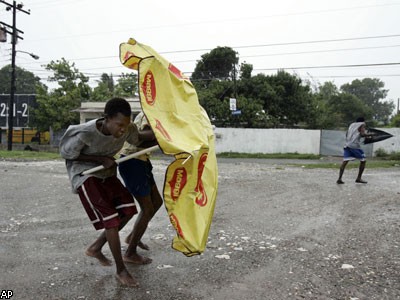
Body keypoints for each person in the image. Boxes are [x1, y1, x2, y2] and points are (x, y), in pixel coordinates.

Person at [59, 97, 152, 287]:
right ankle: (120, 270)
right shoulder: (85, 132)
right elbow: (67, 154)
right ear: (106, 118)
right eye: (118, 125)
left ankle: (96, 247)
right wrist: (100, 159)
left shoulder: (127, 129)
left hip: (106, 172)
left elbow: (140, 138)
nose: (122, 130)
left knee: (128, 210)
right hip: (85, 174)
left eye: (125, 125)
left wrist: (167, 135)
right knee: (110, 218)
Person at [118, 111, 163, 265]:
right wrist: (162, 138)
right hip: (132, 161)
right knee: (147, 208)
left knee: (156, 202)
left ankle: (132, 237)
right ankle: (130, 253)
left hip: (142, 161)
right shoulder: (150, 113)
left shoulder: (159, 114)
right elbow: (139, 140)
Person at [337, 117, 371, 184]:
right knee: (363, 160)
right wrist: (370, 135)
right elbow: (362, 134)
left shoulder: (351, 125)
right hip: (354, 146)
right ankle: (359, 178)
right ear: (363, 121)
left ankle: (339, 179)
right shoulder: (362, 124)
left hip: (347, 145)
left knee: (345, 161)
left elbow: (347, 134)